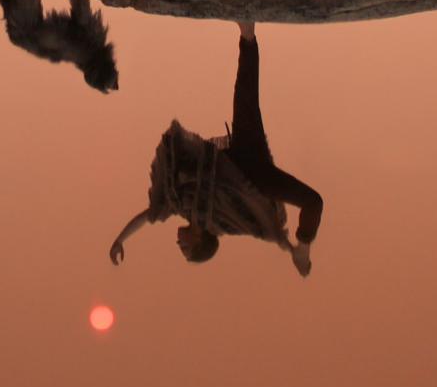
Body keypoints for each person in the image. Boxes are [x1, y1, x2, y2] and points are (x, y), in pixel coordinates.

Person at [108, 22, 323, 277]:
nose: (180, 245)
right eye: (186, 249)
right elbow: (267, 227)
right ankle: (248, 35)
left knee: (244, 96)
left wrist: (120, 239)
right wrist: (295, 248)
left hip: (236, 156)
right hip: (255, 172)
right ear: (199, 242)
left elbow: (145, 217)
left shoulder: (180, 203)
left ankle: (247, 34)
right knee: (313, 201)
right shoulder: (225, 224)